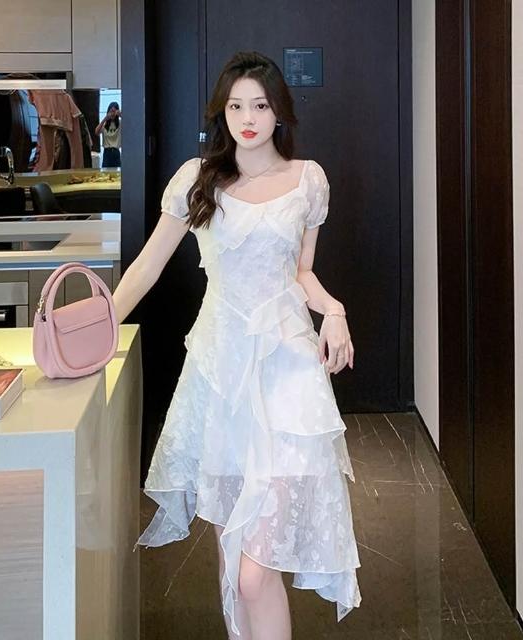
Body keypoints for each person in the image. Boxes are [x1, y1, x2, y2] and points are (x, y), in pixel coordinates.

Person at [112, 50, 361, 640]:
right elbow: (147, 266)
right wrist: (98, 325)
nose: (248, 118)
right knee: (231, 561)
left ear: (279, 112)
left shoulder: (308, 180)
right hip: (220, 371)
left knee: (254, 573)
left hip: (286, 370)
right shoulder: (197, 179)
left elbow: (302, 272)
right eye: (236, 106)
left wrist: (334, 311)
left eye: (261, 106)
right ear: (222, 113)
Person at [95, 101, 121, 168]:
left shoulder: (120, 123)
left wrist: (121, 115)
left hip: (116, 152)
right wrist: (105, 119)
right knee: (105, 172)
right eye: (111, 111)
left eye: (114, 111)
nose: (112, 114)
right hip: (107, 152)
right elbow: (96, 132)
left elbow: (131, 125)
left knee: (118, 173)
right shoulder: (105, 124)